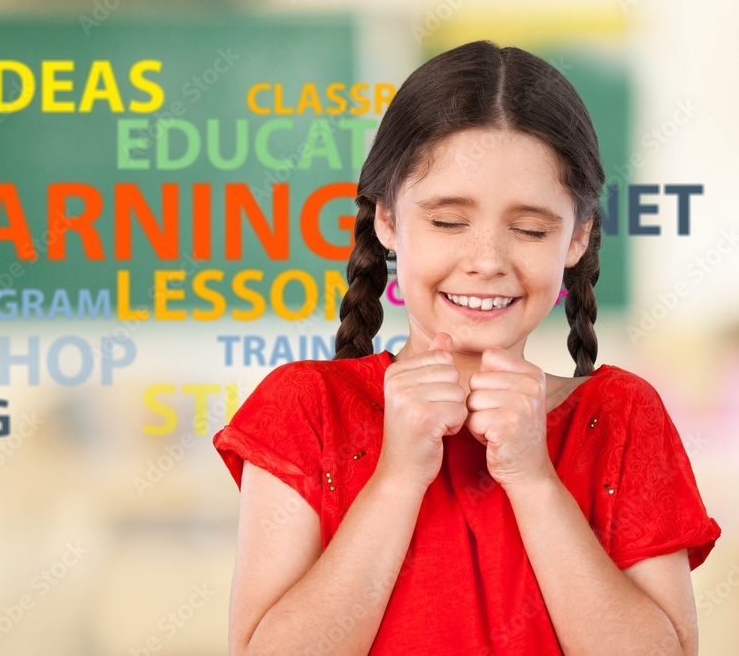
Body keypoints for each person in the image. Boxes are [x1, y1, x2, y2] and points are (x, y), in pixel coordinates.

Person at [212, 39, 721, 655]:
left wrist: (533, 480)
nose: (486, 262)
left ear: (578, 238)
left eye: (530, 229)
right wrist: (398, 478)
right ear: (388, 221)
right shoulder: (306, 409)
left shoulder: (619, 418)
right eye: (448, 221)